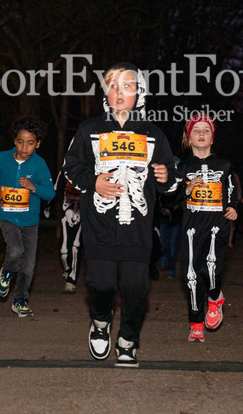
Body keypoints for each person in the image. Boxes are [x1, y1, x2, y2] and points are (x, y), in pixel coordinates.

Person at [63, 62, 178, 368]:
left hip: (138, 231)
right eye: (113, 85)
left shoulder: (153, 134)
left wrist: (166, 176)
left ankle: (128, 339)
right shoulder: (90, 130)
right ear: (105, 92)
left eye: (127, 85)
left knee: (135, 288)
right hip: (99, 226)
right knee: (100, 284)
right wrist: (92, 180)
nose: (119, 92)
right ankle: (100, 322)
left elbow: (172, 181)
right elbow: (70, 166)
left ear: (139, 93)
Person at [0, 115, 56, 318]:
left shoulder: (39, 164)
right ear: (14, 141)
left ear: (37, 144)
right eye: (21, 142)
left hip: (30, 221)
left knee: (29, 265)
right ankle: (6, 273)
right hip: (6, 215)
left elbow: (50, 193)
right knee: (15, 248)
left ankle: (20, 300)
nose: (25, 148)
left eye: (30, 143)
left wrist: (33, 187)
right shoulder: (3, 157)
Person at [174, 114, 239, 342]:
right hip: (192, 227)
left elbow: (230, 188)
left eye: (206, 130)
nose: (201, 133)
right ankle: (196, 323)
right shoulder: (183, 167)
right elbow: (171, 199)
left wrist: (232, 207)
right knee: (191, 275)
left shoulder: (224, 165)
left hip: (216, 225)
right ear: (188, 138)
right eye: (196, 130)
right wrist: (186, 189)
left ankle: (214, 298)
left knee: (209, 268)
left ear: (212, 138)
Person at [57, 176, 83, 293]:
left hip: (83, 213)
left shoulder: (90, 168)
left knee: (76, 246)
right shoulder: (64, 171)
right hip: (66, 212)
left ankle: (71, 281)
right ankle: (68, 268)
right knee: (64, 250)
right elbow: (56, 190)